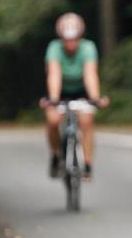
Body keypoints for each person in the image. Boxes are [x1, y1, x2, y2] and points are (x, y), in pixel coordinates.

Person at [41, 13, 109, 180]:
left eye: (74, 39)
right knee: (52, 120)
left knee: (87, 120)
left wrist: (95, 97)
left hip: (82, 91)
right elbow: (54, 74)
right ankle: (56, 155)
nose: (70, 44)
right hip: (60, 91)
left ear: (80, 37)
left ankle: (87, 164)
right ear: (61, 38)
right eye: (66, 40)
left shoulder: (88, 47)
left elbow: (90, 74)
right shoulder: (54, 48)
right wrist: (54, 99)